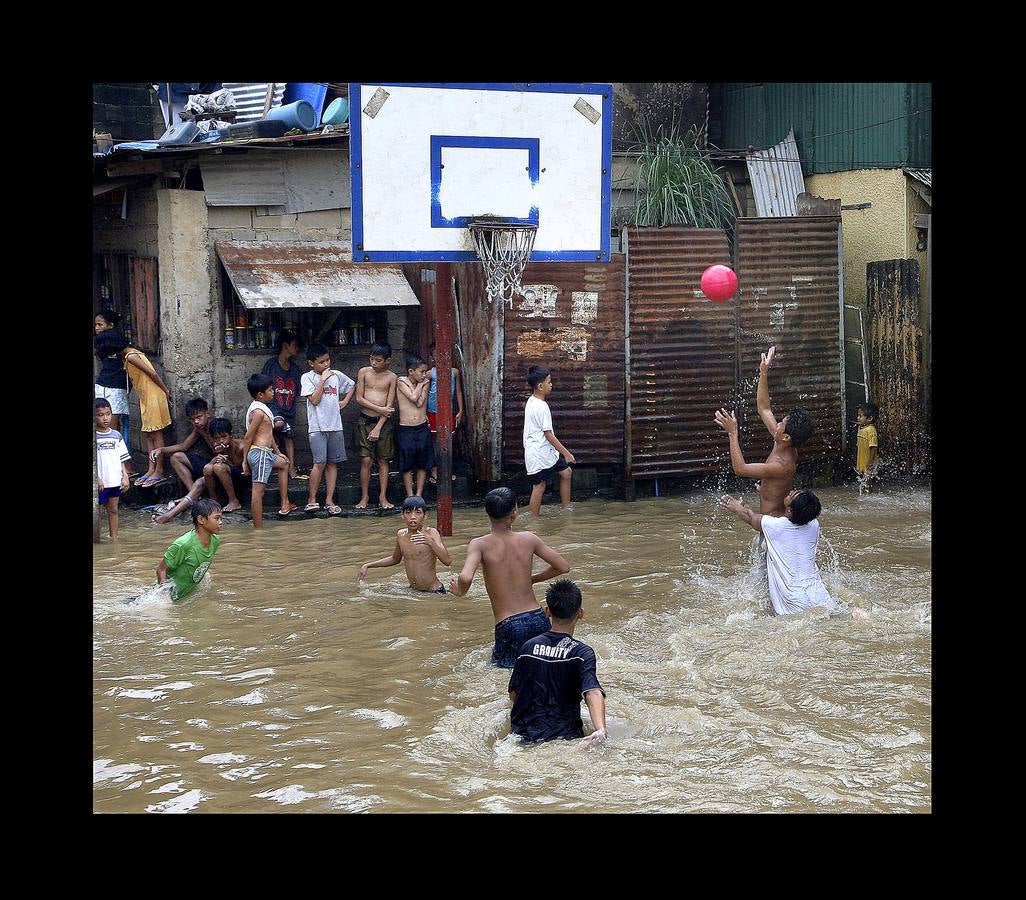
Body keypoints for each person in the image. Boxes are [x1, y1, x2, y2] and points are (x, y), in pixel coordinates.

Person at [449, 486, 571, 668]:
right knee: (544, 671)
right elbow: (563, 567)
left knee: (509, 680)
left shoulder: (479, 544)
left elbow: (465, 578)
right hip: (538, 618)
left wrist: (460, 591)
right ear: (514, 513)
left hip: (509, 624)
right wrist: (533, 579)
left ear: (487, 513)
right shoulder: (529, 539)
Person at [713, 346, 814, 517]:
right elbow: (764, 408)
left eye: (782, 423)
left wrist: (732, 433)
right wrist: (764, 371)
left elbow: (741, 469)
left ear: (786, 437)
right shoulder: (782, 440)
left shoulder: (781, 466)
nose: (778, 424)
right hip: (769, 525)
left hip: (772, 528)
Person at [508, 579, 607, 746]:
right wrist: (600, 729)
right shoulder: (581, 653)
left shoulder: (527, 648)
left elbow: (513, 695)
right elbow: (592, 692)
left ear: (547, 612)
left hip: (522, 739)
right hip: (564, 740)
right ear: (581, 613)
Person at [719, 489, 844, 616]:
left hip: (793, 600)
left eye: (792, 495)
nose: (791, 492)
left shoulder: (774, 526)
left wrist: (737, 507)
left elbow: (750, 517)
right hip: (820, 595)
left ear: (789, 510)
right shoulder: (814, 525)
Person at [300, 342, 355, 515]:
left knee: (332, 464)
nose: (326, 364)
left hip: (335, 426)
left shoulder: (337, 375)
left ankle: (330, 500)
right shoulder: (307, 378)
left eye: (328, 360)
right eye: (322, 362)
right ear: (311, 363)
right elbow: (314, 400)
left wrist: (345, 401)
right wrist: (323, 379)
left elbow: (352, 385)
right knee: (319, 463)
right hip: (317, 427)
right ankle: (312, 499)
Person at [357, 495, 453, 593]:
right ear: (402, 515)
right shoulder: (401, 535)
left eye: (418, 512)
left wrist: (430, 542)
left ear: (425, 515)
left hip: (434, 591)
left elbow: (447, 561)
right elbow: (395, 559)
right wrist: (368, 565)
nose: (413, 517)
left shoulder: (431, 533)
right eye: (408, 512)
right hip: (414, 591)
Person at [241, 373, 293, 528]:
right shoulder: (257, 412)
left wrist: (278, 453)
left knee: (284, 463)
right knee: (258, 492)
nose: (273, 392)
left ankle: (285, 502)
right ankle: (258, 530)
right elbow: (248, 437)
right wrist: (244, 461)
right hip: (260, 453)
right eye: (270, 390)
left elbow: (268, 435)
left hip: (266, 452)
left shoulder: (261, 409)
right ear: (260, 394)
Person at [524, 365, 576, 516]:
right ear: (540, 386)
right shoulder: (541, 406)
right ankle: (534, 519)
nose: (551, 384)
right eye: (549, 382)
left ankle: (566, 509)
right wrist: (566, 453)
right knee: (539, 486)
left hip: (545, 452)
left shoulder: (531, 401)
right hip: (539, 454)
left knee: (566, 473)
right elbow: (549, 434)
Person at [122, 342, 172, 487]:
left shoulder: (131, 356)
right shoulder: (129, 355)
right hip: (146, 396)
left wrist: (166, 391)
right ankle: (151, 469)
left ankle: (160, 471)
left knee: (156, 434)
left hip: (153, 395)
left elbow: (153, 373)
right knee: (148, 434)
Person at [355, 342, 398, 510]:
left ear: (387, 361)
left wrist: (379, 426)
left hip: (383, 424)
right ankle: (364, 497)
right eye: (372, 359)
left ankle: (383, 497)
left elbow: (389, 407)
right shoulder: (363, 372)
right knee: (366, 459)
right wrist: (379, 409)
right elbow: (359, 398)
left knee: (383, 460)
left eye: (378, 360)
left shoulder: (392, 377)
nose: (374, 363)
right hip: (365, 420)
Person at [155, 498, 223, 601]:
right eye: (217, 518)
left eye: (221, 518)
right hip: (170, 597)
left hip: (186, 594)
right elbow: (161, 569)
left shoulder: (215, 540)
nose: (221, 522)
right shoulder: (183, 544)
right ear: (201, 520)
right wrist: (165, 599)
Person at [93, 310, 134, 469]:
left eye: (100, 324)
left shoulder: (119, 345)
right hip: (103, 385)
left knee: (114, 428)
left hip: (116, 388)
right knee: (105, 426)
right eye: (95, 324)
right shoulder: (104, 343)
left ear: (110, 325)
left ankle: (125, 466)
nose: (97, 328)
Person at [261, 329, 303, 480]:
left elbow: (297, 391)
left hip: (289, 408)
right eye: (295, 345)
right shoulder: (271, 365)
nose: (297, 348)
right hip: (274, 406)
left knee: (289, 437)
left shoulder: (295, 369)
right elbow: (262, 386)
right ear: (286, 345)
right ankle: (273, 452)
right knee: (278, 425)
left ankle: (291, 468)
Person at [151, 397, 216, 493]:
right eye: (193, 419)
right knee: (176, 457)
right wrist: (161, 449)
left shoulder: (215, 425)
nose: (196, 422)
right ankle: (192, 494)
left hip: (220, 462)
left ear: (207, 413)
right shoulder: (199, 429)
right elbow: (184, 446)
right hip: (209, 462)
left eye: (199, 417)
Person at [396, 352, 435, 498]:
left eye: (425, 372)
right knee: (406, 464)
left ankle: (418, 494)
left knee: (422, 463)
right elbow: (413, 397)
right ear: (411, 371)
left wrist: (420, 385)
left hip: (421, 426)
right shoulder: (401, 381)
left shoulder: (425, 382)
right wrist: (420, 385)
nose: (424, 375)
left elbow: (419, 403)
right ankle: (410, 495)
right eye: (422, 372)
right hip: (405, 428)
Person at [426, 341, 463, 486]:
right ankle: (435, 470)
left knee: (448, 441)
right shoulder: (429, 374)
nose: (440, 357)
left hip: (449, 412)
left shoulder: (454, 372)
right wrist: (423, 414)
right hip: (432, 412)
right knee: (434, 442)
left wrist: (460, 410)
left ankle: (447, 469)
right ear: (432, 358)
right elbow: (425, 394)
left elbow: (458, 391)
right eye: (437, 355)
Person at [95, 397, 131, 541]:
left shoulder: (116, 435)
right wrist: (96, 478)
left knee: (114, 510)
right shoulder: (95, 436)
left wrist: (125, 476)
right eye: (100, 415)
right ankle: (96, 539)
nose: (105, 418)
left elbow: (122, 459)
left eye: (108, 414)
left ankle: (114, 539)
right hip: (100, 482)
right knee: (97, 512)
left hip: (114, 480)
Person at [201, 417, 247, 513]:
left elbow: (243, 470)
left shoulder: (241, 447)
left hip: (243, 479)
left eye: (223, 436)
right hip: (226, 478)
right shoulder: (218, 447)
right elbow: (210, 468)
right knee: (207, 468)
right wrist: (215, 458)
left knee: (218, 467)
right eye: (217, 438)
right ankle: (214, 501)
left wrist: (226, 462)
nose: (220, 440)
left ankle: (234, 501)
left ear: (230, 435)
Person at [855, 402, 880, 493]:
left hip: (868, 462)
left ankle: (870, 496)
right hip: (861, 461)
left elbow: (873, 447)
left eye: (860, 416)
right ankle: (865, 496)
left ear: (870, 418)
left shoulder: (871, 430)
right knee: (863, 481)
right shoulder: (861, 428)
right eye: (858, 415)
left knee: (869, 482)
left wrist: (870, 462)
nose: (858, 418)